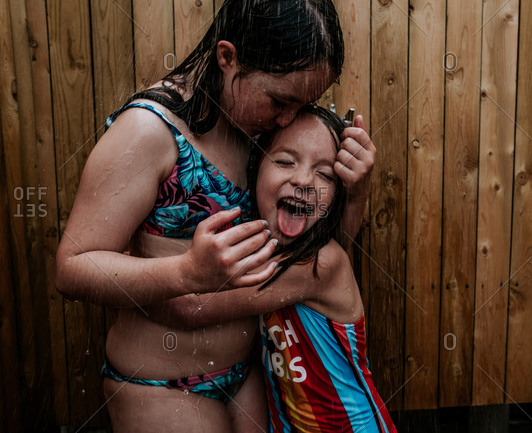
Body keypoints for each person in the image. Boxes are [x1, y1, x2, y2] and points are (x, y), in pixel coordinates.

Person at [54, 1, 375, 432]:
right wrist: (184, 272)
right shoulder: (150, 134)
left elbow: (318, 260)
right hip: (160, 385)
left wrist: (355, 194)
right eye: (280, 100)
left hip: (248, 378)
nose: (287, 118)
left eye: (302, 105)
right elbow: (73, 267)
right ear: (228, 58)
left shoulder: (266, 132)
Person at [151, 104, 397, 432]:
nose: (304, 180)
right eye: (284, 162)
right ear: (254, 172)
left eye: (325, 174)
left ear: (334, 199)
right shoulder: (279, 252)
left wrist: (135, 259)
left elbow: (190, 307)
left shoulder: (323, 263)